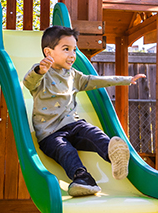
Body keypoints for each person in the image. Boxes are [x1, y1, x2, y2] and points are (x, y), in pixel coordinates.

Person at [23, 25, 146, 196]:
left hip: (73, 125)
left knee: (92, 132)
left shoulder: (73, 75)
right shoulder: (42, 73)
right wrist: (39, 70)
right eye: (66, 49)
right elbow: (28, 83)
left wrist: (125, 80)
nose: (72, 54)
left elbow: (95, 80)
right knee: (65, 150)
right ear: (48, 52)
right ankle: (83, 179)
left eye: (74, 49)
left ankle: (114, 155)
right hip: (50, 133)